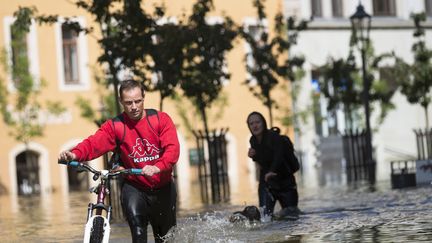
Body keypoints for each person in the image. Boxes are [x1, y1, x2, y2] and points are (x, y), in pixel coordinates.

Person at [58, 79, 180, 243]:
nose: (134, 107)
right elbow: (94, 143)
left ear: (144, 98)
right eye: (129, 103)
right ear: (121, 101)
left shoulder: (161, 119)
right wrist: (74, 155)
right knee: (137, 232)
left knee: (165, 239)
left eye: (138, 101)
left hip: (163, 188)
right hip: (135, 187)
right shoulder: (115, 126)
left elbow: (173, 150)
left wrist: (158, 167)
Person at [246, 111, 300, 219]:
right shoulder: (253, 140)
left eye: (258, 122)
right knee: (265, 217)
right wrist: (254, 156)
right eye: (251, 124)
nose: (255, 126)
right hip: (267, 184)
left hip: (286, 183)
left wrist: (272, 171)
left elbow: (278, 156)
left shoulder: (274, 137)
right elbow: (263, 160)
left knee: (291, 216)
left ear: (263, 123)